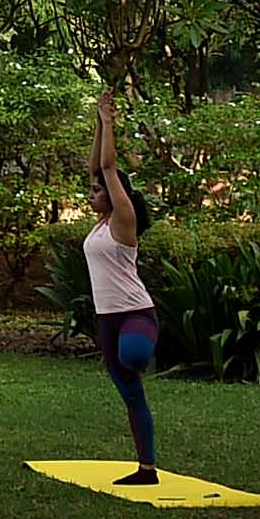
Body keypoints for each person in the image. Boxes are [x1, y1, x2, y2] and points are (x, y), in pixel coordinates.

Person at [87, 93, 160, 486]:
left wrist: (110, 123)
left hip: (135, 314)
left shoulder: (123, 220)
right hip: (107, 319)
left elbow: (109, 166)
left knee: (132, 355)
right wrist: (98, 124)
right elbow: (96, 164)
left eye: (98, 190)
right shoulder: (99, 225)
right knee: (131, 395)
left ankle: (143, 353)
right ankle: (146, 469)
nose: (91, 193)